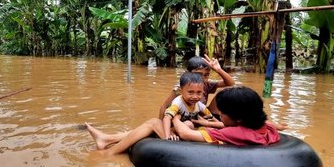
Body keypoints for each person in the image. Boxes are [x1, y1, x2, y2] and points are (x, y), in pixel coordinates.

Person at [85, 86, 280, 156]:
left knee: (154, 123)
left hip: (195, 150)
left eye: (223, 113)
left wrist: (176, 118)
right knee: (163, 126)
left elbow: (186, 134)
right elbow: (273, 126)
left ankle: (109, 153)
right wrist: (206, 123)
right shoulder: (263, 128)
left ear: (238, 118)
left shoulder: (232, 132)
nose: (221, 116)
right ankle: (108, 138)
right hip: (211, 143)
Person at [159, 55, 235, 120]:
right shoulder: (181, 88)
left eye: (206, 75)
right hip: (184, 117)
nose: (202, 78)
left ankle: (216, 119)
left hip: (201, 113)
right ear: (188, 73)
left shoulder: (207, 83)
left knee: (224, 92)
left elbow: (230, 83)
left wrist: (218, 70)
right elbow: (164, 106)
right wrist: (161, 123)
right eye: (198, 74)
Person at [162, 72, 223, 138]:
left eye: (199, 93)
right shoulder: (178, 103)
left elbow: (212, 118)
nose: (195, 97)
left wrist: (222, 130)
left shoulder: (200, 105)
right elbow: (167, 117)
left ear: (203, 92)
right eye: (190, 92)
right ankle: (172, 131)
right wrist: (167, 136)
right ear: (180, 91)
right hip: (178, 127)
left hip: (189, 128)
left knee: (208, 127)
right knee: (189, 124)